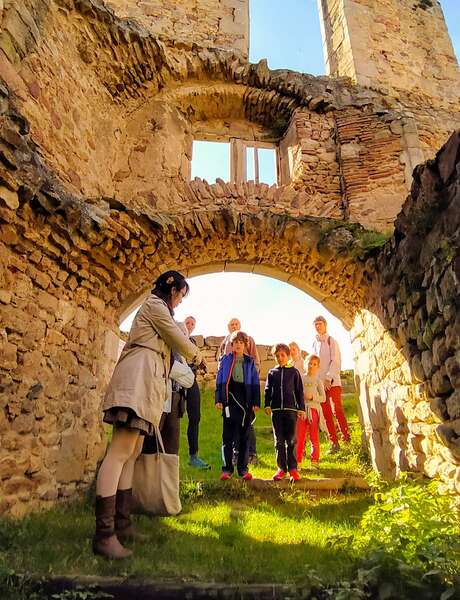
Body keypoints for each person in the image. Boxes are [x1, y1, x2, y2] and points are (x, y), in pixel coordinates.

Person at [93, 271, 203, 560]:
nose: (180, 302)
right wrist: (197, 356)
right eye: (181, 294)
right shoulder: (155, 305)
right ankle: (104, 535)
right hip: (135, 382)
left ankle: (122, 523)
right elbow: (177, 337)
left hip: (144, 386)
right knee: (119, 453)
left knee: (132, 453)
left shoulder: (159, 310)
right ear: (172, 289)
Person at [215, 330, 260, 481]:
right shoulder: (226, 360)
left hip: (245, 401)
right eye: (236, 343)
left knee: (244, 437)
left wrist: (255, 401)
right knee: (227, 437)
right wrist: (219, 399)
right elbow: (220, 380)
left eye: (241, 343)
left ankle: (242, 469)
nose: (238, 345)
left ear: (245, 345)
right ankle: (227, 469)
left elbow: (254, 382)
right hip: (230, 400)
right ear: (232, 345)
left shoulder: (250, 362)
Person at [264, 343, 305, 482]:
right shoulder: (272, 373)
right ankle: (281, 468)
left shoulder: (294, 372)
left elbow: (299, 391)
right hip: (276, 411)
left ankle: (293, 468)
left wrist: (301, 408)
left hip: (291, 411)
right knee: (279, 441)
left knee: (292, 440)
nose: (280, 358)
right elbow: (267, 390)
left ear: (288, 356)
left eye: (283, 355)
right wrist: (267, 405)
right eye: (277, 356)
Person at [311, 315, 350, 454]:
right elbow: (314, 364)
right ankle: (334, 443)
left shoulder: (331, 341)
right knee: (326, 413)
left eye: (320, 323)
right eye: (316, 324)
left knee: (337, 410)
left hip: (333, 382)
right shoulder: (314, 344)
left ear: (325, 325)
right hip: (320, 384)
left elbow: (336, 361)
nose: (318, 326)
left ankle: (346, 438)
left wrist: (329, 378)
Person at [183, 315, 210, 469]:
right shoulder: (177, 334)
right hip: (176, 378)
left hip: (190, 379)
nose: (190, 325)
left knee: (195, 416)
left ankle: (193, 456)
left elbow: (196, 360)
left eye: (192, 323)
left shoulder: (193, 342)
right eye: (188, 322)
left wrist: (201, 365)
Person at [296, 355, 325, 468]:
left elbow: (323, 398)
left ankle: (314, 461)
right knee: (300, 437)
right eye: (309, 363)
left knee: (314, 436)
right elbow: (297, 393)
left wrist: (313, 397)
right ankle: (298, 461)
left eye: (314, 364)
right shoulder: (300, 379)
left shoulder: (318, 381)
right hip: (302, 411)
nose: (311, 366)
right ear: (305, 364)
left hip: (314, 410)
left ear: (318, 367)